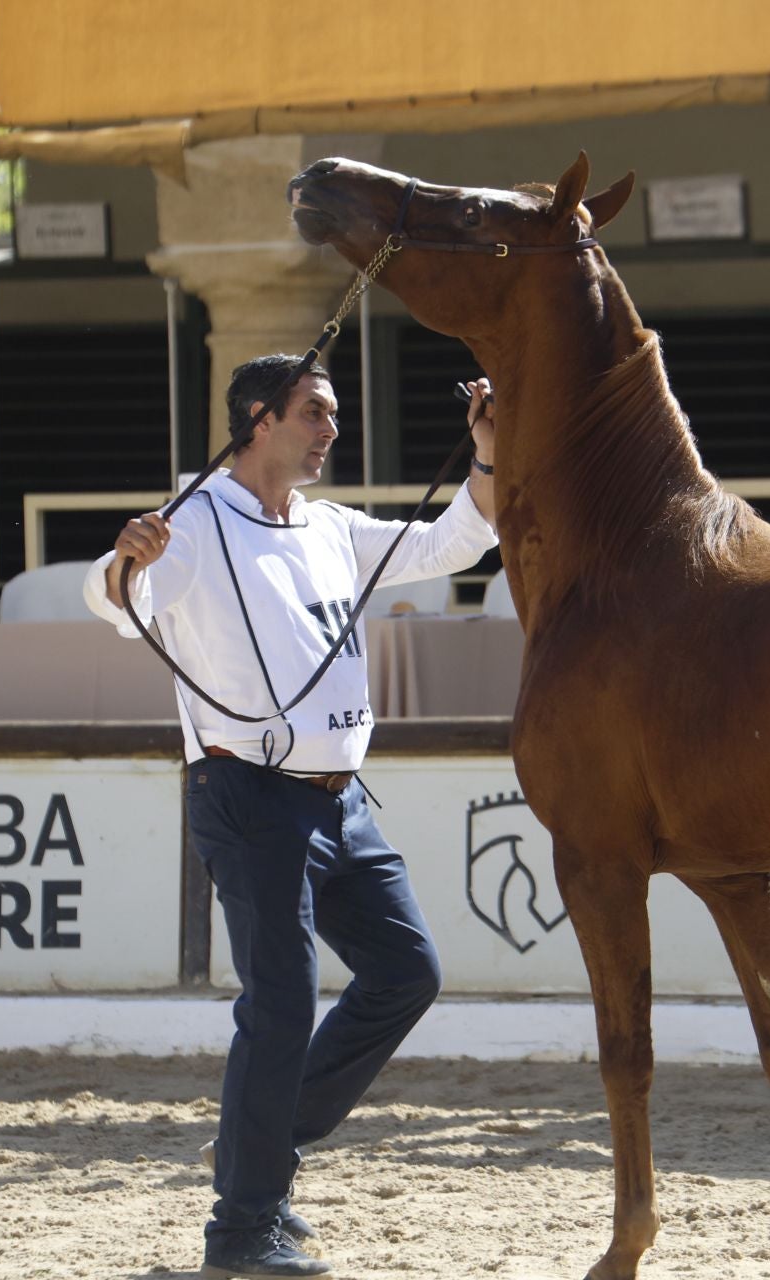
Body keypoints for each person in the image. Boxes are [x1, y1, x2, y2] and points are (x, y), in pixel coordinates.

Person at [84, 357, 499, 1278]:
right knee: (279, 1006)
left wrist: (488, 456)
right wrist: (126, 562)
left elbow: (451, 545)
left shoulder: (327, 526)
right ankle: (242, 1228)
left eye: (335, 414)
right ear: (259, 420)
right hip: (249, 797)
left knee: (406, 972)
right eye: (315, 412)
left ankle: (255, 1154)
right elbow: (116, 603)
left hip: (340, 800)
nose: (331, 429)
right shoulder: (192, 522)